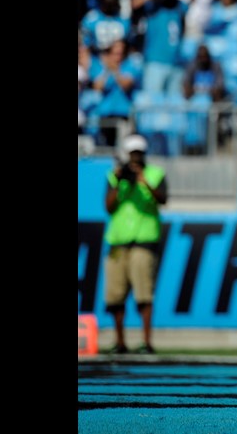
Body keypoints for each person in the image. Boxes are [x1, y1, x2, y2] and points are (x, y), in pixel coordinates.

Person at [103, 134, 168, 354]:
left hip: (143, 241)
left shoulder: (154, 174)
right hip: (118, 242)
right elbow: (109, 206)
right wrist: (120, 181)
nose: (135, 158)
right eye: (132, 153)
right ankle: (120, 341)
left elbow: (162, 199)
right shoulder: (115, 177)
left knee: (144, 294)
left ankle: (147, 342)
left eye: (138, 154)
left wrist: (143, 181)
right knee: (115, 296)